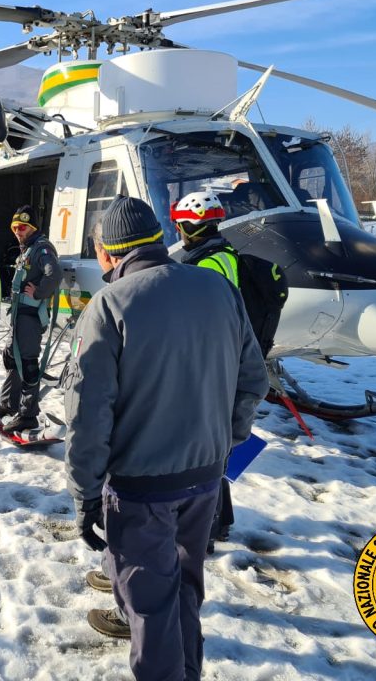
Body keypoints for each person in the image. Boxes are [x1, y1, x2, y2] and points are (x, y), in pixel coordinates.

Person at [64, 196, 268, 681]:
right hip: (204, 481)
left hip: (140, 489)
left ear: (107, 253)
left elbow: (88, 415)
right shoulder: (218, 289)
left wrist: (85, 494)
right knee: (184, 593)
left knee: (151, 608)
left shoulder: (109, 305)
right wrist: (225, 441)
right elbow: (253, 379)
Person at [170, 190, 239, 549]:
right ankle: (219, 522)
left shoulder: (203, 266)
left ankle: (205, 528)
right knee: (215, 447)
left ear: (185, 226)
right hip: (224, 362)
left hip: (203, 367)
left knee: (202, 452)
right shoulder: (226, 255)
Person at [0, 205, 62, 432]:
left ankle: (28, 414)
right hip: (19, 317)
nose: (17, 232)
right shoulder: (28, 249)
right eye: (14, 227)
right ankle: (9, 403)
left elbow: (55, 274)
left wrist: (38, 292)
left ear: (32, 228)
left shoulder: (41, 249)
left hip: (30, 318)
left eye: (22, 227)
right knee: (12, 358)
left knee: (28, 364)